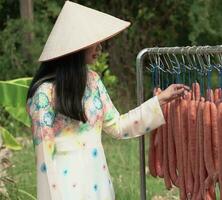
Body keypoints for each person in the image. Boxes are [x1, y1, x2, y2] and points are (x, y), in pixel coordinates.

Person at [25, 1, 188, 199]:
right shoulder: (44, 94)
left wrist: (159, 101)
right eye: (94, 42)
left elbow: (118, 126)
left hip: (98, 183)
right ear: (77, 46)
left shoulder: (93, 82)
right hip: (64, 189)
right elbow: (44, 160)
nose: (99, 47)